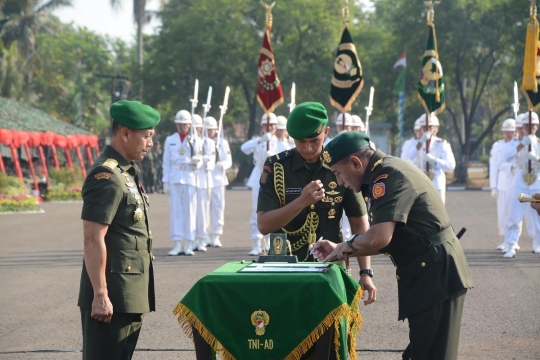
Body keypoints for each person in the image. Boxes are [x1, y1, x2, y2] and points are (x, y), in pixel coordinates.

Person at [313, 131, 474, 360]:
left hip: (435, 275)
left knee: (432, 354)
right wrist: (342, 246)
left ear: (356, 162)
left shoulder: (386, 175)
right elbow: (385, 238)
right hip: (427, 271)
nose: (339, 182)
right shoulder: (384, 172)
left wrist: (345, 246)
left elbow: (380, 238)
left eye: (338, 173)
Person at [257, 102, 376, 303]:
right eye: (300, 142)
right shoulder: (276, 167)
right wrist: (301, 202)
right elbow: (264, 225)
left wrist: (366, 271)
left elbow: (358, 223)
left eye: (315, 140)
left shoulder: (341, 164)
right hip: (286, 265)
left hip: (332, 263)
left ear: (326, 132)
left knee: (333, 331)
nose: (308, 148)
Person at [78, 100, 159, 359]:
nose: (150, 143)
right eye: (146, 136)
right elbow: (93, 239)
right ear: (125, 133)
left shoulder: (126, 173)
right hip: (112, 297)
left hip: (129, 293)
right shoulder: (107, 176)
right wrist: (100, 294)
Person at [501, 111, 540, 257]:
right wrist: (523, 144)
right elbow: (505, 157)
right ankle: (511, 244)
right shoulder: (516, 143)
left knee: (537, 213)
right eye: (526, 125)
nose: (530, 128)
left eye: (532, 125)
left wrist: (536, 158)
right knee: (514, 214)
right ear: (522, 127)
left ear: (537, 126)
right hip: (520, 181)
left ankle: (537, 242)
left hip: (536, 181)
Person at [162, 110, 201, 256]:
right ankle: (177, 243)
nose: (182, 127)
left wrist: (199, 161)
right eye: (179, 124)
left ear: (190, 125)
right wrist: (165, 181)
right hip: (175, 177)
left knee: (190, 211)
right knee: (176, 212)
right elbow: (166, 163)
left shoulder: (195, 139)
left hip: (190, 176)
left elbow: (202, 158)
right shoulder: (170, 139)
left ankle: (189, 243)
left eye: (184, 124)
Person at [241, 113, 278, 255]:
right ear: (262, 126)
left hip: (274, 177)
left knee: (273, 209)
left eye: (272, 125)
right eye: (267, 125)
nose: (270, 128)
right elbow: (244, 148)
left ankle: (269, 242)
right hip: (259, 175)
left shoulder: (280, 141)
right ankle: (257, 242)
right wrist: (260, 141)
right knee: (257, 209)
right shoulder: (258, 140)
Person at [407, 113, 456, 204]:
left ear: (436, 129)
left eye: (430, 127)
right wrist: (421, 142)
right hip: (419, 183)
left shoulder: (442, 144)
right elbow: (410, 156)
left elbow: (451, 165)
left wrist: (435, 161)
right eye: (424, 128)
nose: (427, 130)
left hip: (436, 183)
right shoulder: (415, 143)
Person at [489, 119, 517, 250]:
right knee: (502, 214)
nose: (509, 134)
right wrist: (493, 186)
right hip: (502, 184)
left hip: (516, 184)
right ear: (502, 132)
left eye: (511, 132)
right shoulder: (498, 146)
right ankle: (504, 239)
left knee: (514, 214)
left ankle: (513, 240)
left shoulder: (519, 145)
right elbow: (494, 166)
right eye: (506, 131)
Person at [207, 116, 232, 247]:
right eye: (207, 129)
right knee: (205, 208)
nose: (209, 132)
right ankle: (205, 234)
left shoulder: (222, 143)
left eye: (211, 129)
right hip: (205, 179)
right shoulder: (201, 142)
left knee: (218, 208)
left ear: (216, 130)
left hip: (218, 179)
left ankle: (216, 234)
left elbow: (229, 160)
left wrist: (223, 164)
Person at [193, 114, 216, 252]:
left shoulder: (209, 142)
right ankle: (194, 238)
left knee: (203, 212)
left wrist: (207, 162)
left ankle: (202, 237)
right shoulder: (191, 141)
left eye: (198, 127)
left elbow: (211, 163)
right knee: (192, 213)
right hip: (192, 180)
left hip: (204, 180)